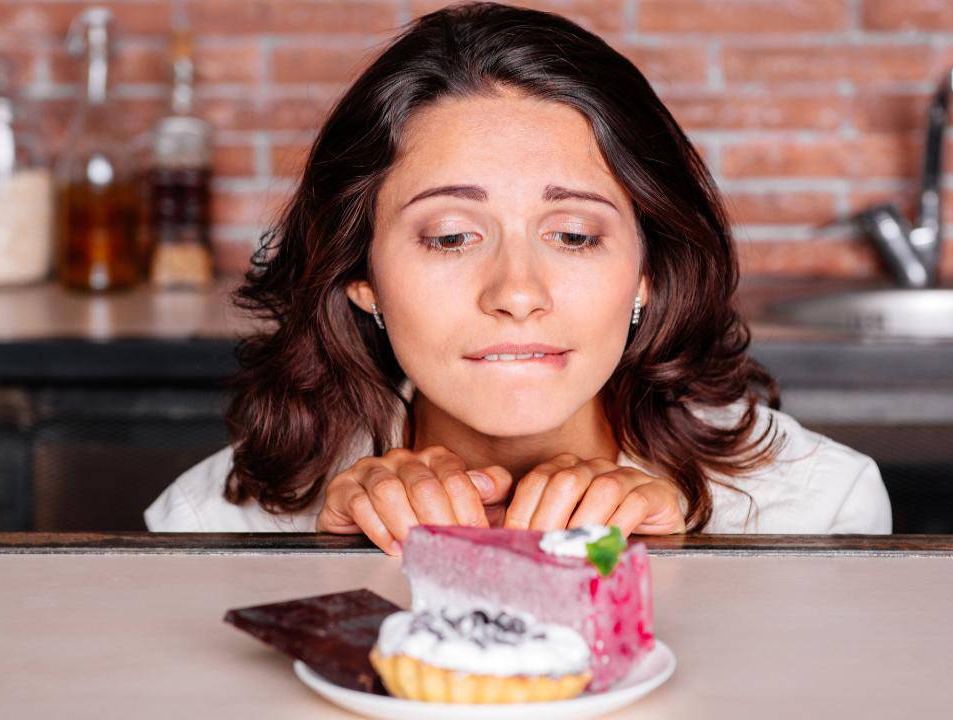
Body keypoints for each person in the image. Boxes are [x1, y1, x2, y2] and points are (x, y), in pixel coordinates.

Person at [145, 1, 892, 550]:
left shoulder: (815, 509)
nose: (517, 292)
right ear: (359, 276)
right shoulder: (218, 523)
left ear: (648, 271)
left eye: (572, 234)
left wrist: (692, 570)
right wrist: (318, 569)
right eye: (450, 237)